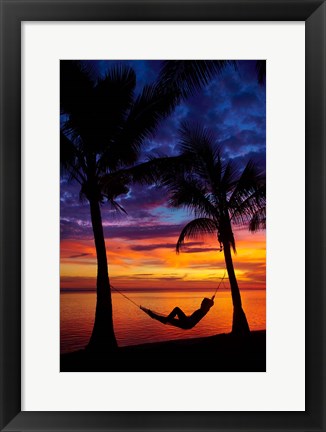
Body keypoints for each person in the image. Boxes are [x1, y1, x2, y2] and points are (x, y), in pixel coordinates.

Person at [140, 297, 214, 330]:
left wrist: (211, 301)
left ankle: (164, 319)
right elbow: (210, 304)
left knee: (176, 309)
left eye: (202, 302)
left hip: (187, 323)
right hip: (186, 323)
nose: (201, 303)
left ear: (205, 304)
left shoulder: (203, 311)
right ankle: (153, 315)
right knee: (169, 320)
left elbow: (210, 304)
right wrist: (212, 298)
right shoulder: (203, 310)